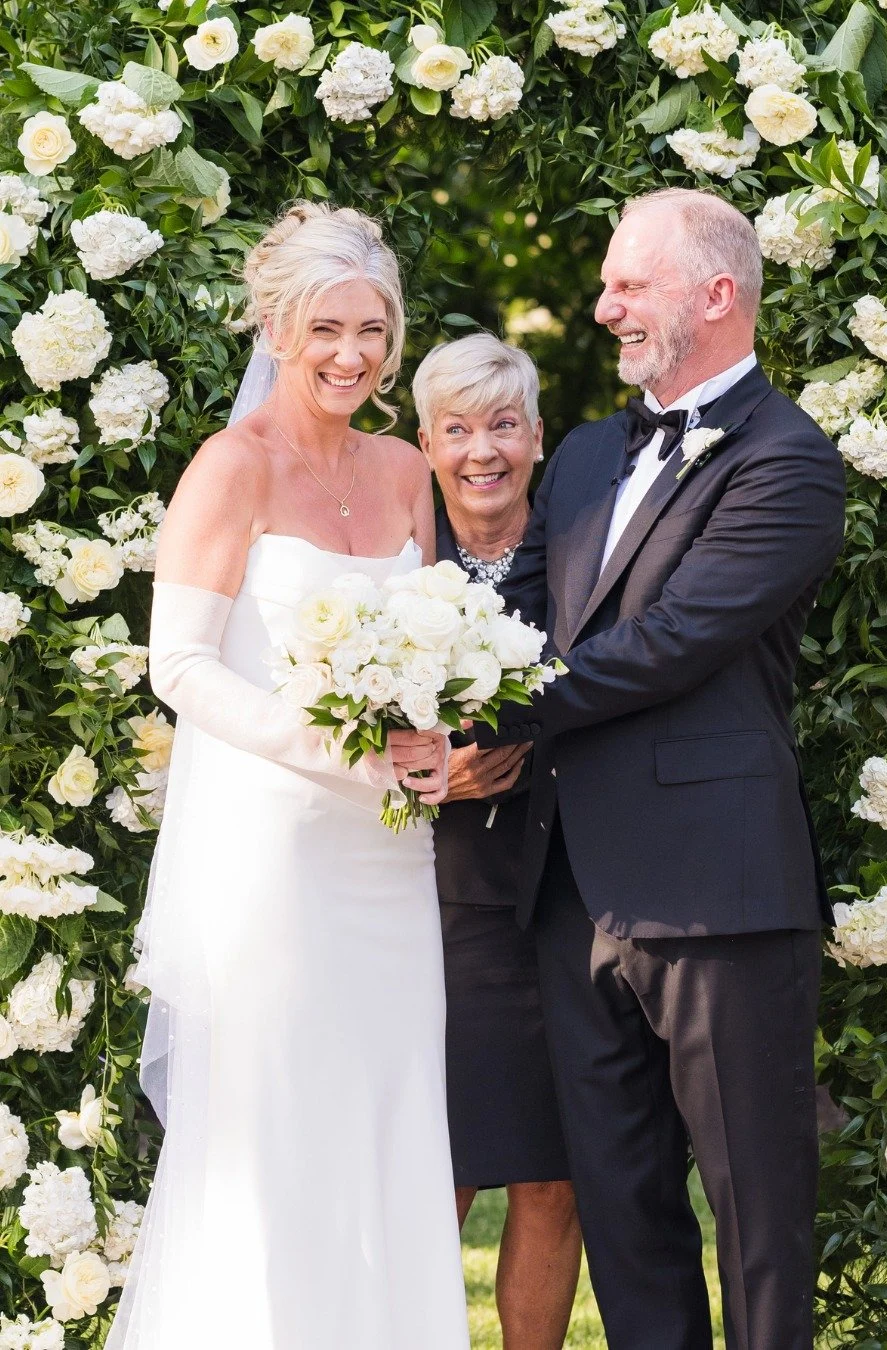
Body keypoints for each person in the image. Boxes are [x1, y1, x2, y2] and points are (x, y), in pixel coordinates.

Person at [478, 188, 848, 1350]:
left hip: (717, 896)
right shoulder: (588, 451)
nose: (604, 309)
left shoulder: (791, 462)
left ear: (717, 294)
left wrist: (497, 711)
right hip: (570, 893)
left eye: (629, 285)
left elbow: (673, 642)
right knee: (628, 1221)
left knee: (759, 1225)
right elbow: (522, 614)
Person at [107, 202, 469, 1349]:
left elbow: (439, 647)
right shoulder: (233, 466)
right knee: (278, 1128)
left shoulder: (409, 468)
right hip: (274, 856)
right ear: (276, 323)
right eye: (327, 328)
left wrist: (440, 739)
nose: (353, 354)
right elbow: (181, 668)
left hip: (390, 863)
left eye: (374, 329)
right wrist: (333, 751)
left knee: (390, 1116)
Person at [412, 334, 582, 1350]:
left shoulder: (587, 549)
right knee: (442, 1167)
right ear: (426, 442)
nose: (484, 451)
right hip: (445, 898)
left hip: (573, 894)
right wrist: (424, 766)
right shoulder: (398, 559)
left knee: (556, 1172)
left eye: (505, 425)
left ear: (538, 437)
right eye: (459, 429)